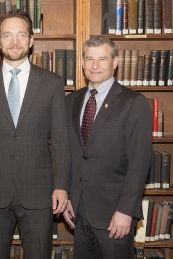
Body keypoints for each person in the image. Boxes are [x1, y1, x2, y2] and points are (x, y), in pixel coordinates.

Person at [0, 9, 71, 259]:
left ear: (31, 40)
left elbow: (60, 140)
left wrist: (61, 186)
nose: (15, 41)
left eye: (21, 34)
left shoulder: (52, 83)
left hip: (39, 190)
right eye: (8, 35)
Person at [63, 36, 152, 259]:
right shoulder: (71, 101)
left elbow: (139, 163)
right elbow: (69, 155)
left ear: (115, 62)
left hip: (115, 214)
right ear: (82, 63)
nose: (95, 65)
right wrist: (66, 197)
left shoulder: (134, 103)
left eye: (102, 59)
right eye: (89, 59)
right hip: (79, 211)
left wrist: (125, 211)